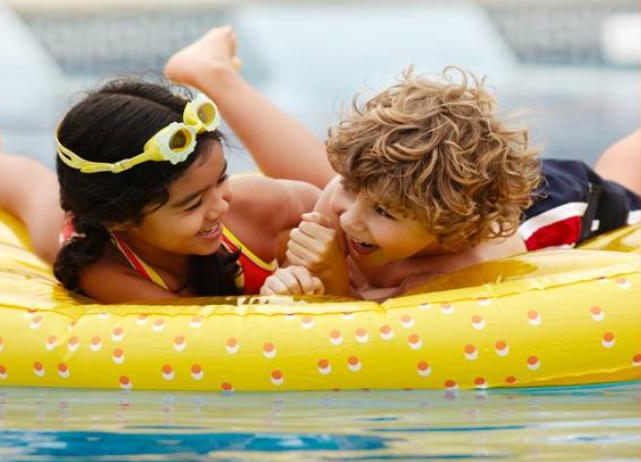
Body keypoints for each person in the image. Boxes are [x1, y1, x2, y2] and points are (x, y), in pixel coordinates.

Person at [164, 26, 641, 300]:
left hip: (567, 196)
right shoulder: (354, 203)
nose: (348, 218)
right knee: (355, 191)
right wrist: (302, 269)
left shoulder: (468, 264)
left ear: (446, 227)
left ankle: (217, 77)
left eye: (383, 213)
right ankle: (214, 77)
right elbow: (323, 236)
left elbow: (367, 321)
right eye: (349, 186)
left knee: (623, 177)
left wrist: (332, 276)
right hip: (446, 186)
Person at [0, 78, 322, 302]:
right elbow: (195, 323)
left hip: (125, 201)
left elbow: (332, 200)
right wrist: (278, 296)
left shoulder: (254, 203)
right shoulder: (101, 269)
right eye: (192, 204)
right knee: (35, 190)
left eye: (221, 179)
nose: (219, 207)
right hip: (90, 230)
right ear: (121, 220)